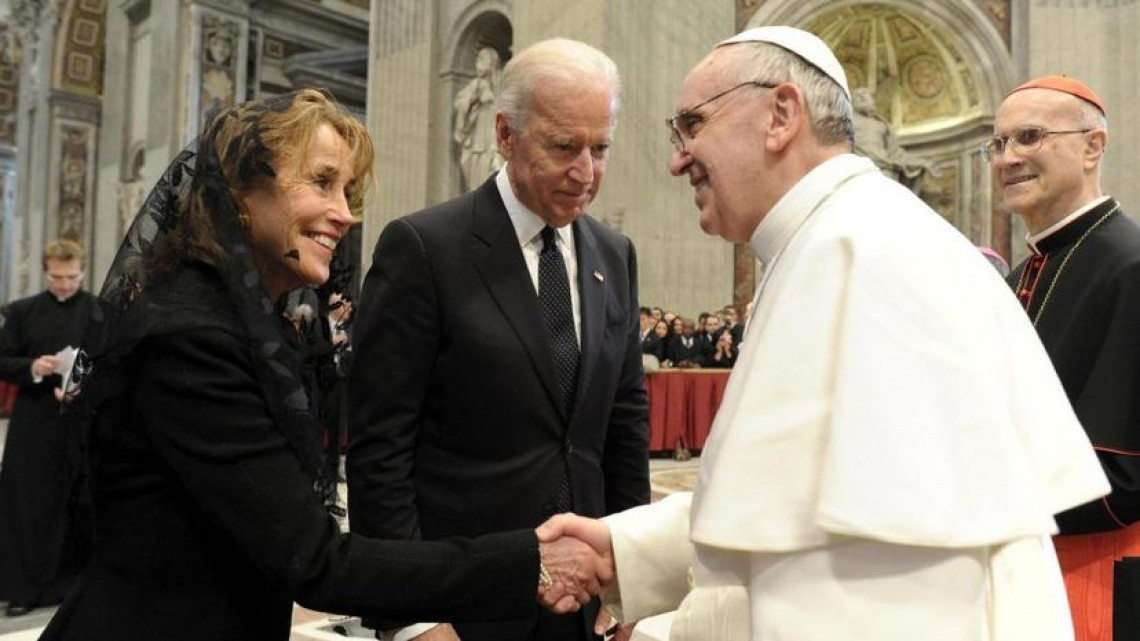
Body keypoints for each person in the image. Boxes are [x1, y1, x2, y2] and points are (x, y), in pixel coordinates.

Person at [537, 27, 1111, 641]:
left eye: (693, 125)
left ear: (782, 114)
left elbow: (872, 594)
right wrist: (624, 551)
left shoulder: (860, 254)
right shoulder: (838, 240)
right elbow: (797, 509)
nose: (678, 159)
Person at [37, 89, 601, 641]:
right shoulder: (191, 337)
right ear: (241, 192)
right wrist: (531, 561)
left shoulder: (246, 322)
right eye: (323, 183)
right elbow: (315, 562)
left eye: (348, 190)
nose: (345, 214)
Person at [348, 38, 650, 641]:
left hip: (580, 607)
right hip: (461, 607)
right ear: (506, 135)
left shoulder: (613, 256)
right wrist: (411, 618)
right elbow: (380, 447)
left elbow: (623, 427)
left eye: (600, 148)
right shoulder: (425, 248)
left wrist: (629, 580)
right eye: (564, 146)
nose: (585, 172)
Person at [991, 75, 1140, 641]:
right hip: (1031, 561)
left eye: (1029, 137)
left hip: (1099, 570)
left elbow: (1119, 478)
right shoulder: (1018, 277)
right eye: (999, 144)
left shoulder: (1129, 266)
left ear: (1092, 146)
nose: (1009, 158)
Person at [0, 239, 93, 617]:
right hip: (34, 422)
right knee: (27, 503)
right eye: (57, 277)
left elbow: (112, 360)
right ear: (45, 271)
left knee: (76, 502)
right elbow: (2, 360)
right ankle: (24, 589)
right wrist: (33, 368)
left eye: (71, 277)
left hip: (80, 421)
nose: (65, 285)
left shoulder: (98, 310)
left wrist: (81, 385)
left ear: (82, 271)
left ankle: (69, 586)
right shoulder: (23, 311)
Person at [454, 47, 505, 191]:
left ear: (493, 61)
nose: (479, 62)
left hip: (494, 135)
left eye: (483, 58)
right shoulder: (475, 84)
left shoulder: (501, 80)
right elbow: (460, 103)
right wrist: (474, 98)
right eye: (478, 58)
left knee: (493, 166)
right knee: (472, 165)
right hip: (478, 136)